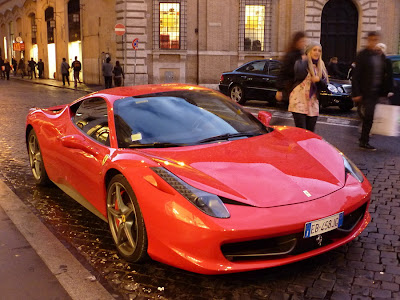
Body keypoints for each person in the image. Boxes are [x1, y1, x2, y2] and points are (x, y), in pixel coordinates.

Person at [352, 31, 388, 151]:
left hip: (376, 91)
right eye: (372, 40)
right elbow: (356, 75)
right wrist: (356, 93)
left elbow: (384, 73)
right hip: (365, 91)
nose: (374, 42)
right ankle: (364, 141)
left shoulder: (379, 55)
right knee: (368, 115)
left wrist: (386, 90)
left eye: (376, 40)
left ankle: (364, 138)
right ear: (368, 40)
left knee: (369, 116)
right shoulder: (363, 55)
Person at [288, 41, 328, 132]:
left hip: (313, 102)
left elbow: (325, 86)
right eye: (314, 50)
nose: (317, 52)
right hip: (298, 100)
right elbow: (298, 74)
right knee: (301, 131)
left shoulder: (321, 67)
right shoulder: (301, 63)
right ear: (309, 51)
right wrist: (304, 61)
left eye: (319, 50)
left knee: (310, 132)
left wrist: (319, 80)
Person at [276, 31, 307, 103]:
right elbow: (283, 72)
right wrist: (279, 89)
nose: (304, 43)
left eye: (304, 41)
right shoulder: (291, 55)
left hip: (298, 89)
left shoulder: (301, 54)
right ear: (296, 42)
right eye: (302, 41)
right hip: (289, 88)